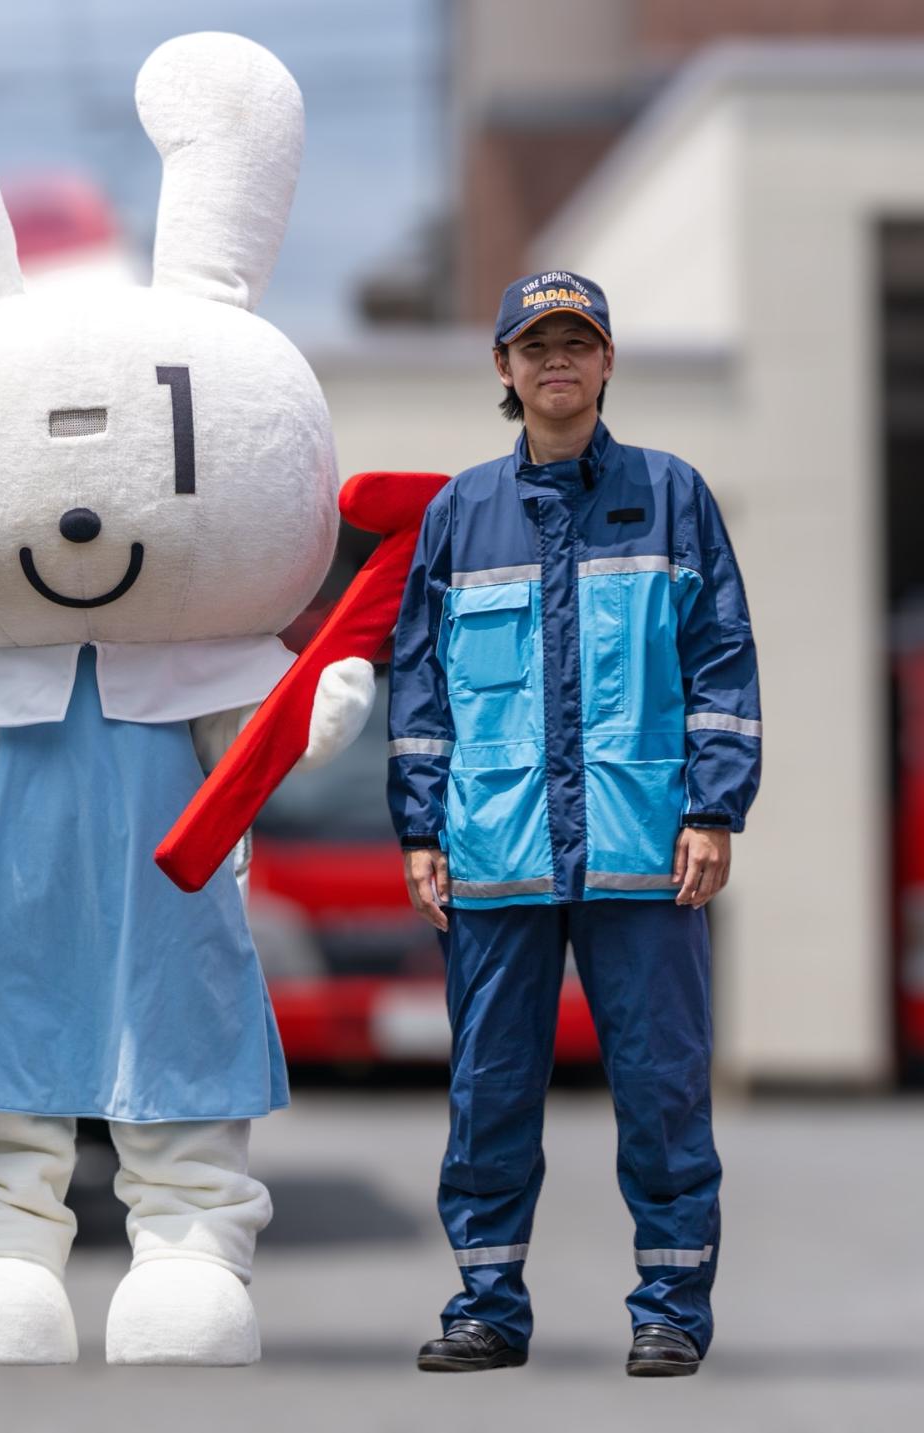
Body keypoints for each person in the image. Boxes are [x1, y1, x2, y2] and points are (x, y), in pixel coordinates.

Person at [387, 271, 760, 1378]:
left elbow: (720, 659)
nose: (556, 362)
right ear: (502, 369)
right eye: (534, 345)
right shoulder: (459, 514)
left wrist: (711, 805)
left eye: (576, 343)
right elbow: (419, 690)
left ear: (605, 364)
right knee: (488, 1087)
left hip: (642, 846)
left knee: (658, 1081)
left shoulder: (671, 493)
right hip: (494, 850)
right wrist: (418, 829)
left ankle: (670, 1308)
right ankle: (487, 1306)